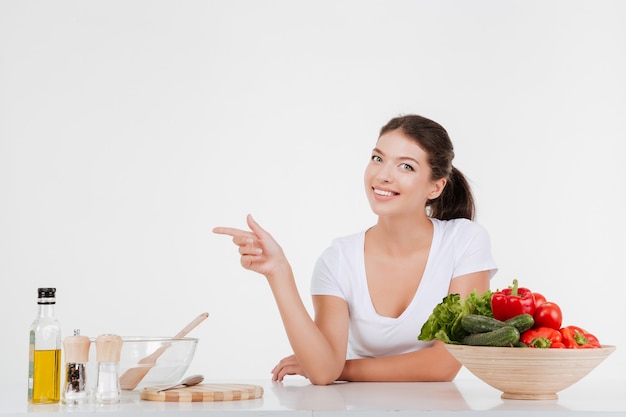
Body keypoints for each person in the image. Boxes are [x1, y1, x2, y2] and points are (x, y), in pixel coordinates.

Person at [213, 114, 497, 385]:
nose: (383, 175)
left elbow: (445, 364)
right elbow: (324, 374)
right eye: (377, 158)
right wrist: (278, 273)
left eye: (406, 166)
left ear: (435, 187)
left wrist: (342, 368)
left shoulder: (464, 241)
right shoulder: (338, 260)